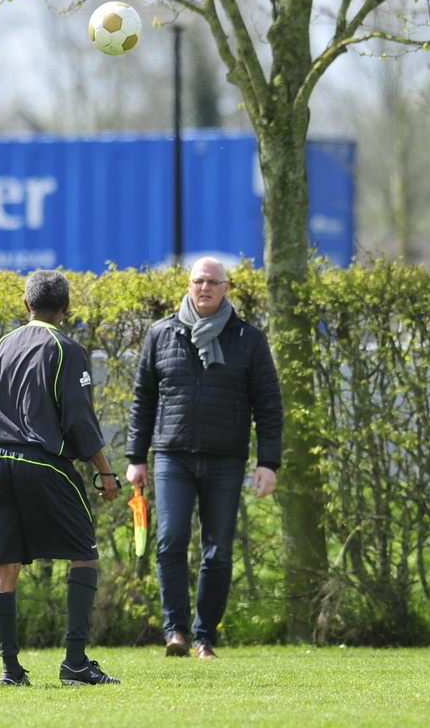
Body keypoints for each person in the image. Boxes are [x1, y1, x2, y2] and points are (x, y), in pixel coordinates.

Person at [125, 257, 282, 660]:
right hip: (171, 456)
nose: (205, 288)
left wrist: (268, 462)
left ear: (227, 288)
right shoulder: (162, 333)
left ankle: (203, 638)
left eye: (213, 282)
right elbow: (143, 398)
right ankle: (175, 631)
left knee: (218, 551)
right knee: (171, 540)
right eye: (198, 281)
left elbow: (268, 405)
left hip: (226, 458)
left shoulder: (249, 339)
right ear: (189, 285)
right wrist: (135, 457)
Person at [0, 269, 122, 687]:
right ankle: (75, 663)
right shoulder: (66, 347)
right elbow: (79, 418)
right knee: (84, 553)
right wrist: (105, 473)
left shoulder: (1, 345)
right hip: (40, 461)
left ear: (26, 306)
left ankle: (10, 671)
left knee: (4, 567)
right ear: (66, 308)